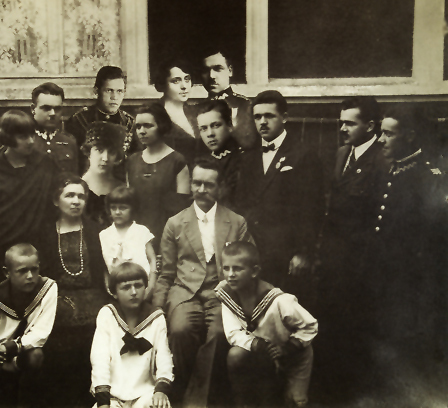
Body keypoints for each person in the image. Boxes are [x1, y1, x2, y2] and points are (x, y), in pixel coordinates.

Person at [152, 156, 253, 405]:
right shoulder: (175, 223)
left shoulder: (236, 222)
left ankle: (197, 402)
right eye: (197, 183)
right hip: (184, 292)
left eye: (209, 184)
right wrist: (156, 308)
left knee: (219, 334)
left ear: (220, 187)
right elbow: (166, 273)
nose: (201, 189)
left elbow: (248, 265)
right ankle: (180, 395)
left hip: (221, 294)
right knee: (180, 330)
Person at [317, 96, 385, 399]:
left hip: (360, 261)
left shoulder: (382, 160)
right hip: (333, 256)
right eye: (341, 122)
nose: (342, 128)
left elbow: (378, 217)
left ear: (370, 126)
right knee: (330, 322)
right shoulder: (342, 153)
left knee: (354, 327)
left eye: (350, 123)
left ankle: (350, 391)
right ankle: (330, 388)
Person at [367, 108, 445, 354]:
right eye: (381, 133)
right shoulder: (388, 168)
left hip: (412, 276)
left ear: (409, 136)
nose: (381, 140)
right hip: (385, 270)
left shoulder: (429, 176)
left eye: (389, 134)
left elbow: (433, 235)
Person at [234, 91, 325, 294]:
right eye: (257, 117)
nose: (263, 122)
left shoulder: (304, 155)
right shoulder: (248, 157)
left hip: (286, 254)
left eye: (269, 116)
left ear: (284, 117)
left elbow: (312, 209)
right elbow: (242, 204)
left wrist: (303, 252)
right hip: (255, 251)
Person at [0, 109, 59, 294]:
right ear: (7, 138)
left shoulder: (45, 165)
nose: (30, 141)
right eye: (22, 137)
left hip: (32, 253)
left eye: (32, 135)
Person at [216, 241, 318, 407]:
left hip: (293, 353)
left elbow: (310, 326)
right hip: (264, 351)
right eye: (226, 268)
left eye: (238, 269)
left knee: (294, 402)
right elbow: (233, 332)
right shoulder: (228, 295)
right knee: (237, 356)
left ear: (254, 271)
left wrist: (288, 347)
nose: (230, 274)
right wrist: (258, 344)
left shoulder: (279, 300)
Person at [38, 173, 110, 407]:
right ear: (56, 200)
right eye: (69, 195)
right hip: (58, 301)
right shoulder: (45, 233)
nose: (76, 201)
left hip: (94, 299)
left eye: (81, 196)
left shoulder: (97, 231)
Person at [0, 244, 57, 408]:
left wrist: (10, 348)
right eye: (22, 271)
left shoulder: (47, 288)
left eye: (34, 269)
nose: (30, 276)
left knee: (36, 355)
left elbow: (40, 332)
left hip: (13, 353)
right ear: (7, 272)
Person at [90, 262, 174, 408]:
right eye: (126, 287)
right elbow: (99, 359)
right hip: (113, 396)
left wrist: (161, 390)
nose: (134, 292)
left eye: (138, 285)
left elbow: (164, 358)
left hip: (145, 393)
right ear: (114, 292)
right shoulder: (107, 315)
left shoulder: (156, 317)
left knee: (161, 406)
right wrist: (103, 401)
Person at [127, 104, 191, 247]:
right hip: (137, 236)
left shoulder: (177, 161)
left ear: (161, 126)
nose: (141, 131)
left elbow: (182, 209)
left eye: (148, 126)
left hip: (167, 236)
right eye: (138, 127)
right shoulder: (132, 161)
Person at [65, 65, 139, 174]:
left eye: (119, 91)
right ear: (96, 91)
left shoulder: (130, 123)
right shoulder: (79, 121)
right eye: (109, 90)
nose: (114, 97)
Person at [100, 186, 158, 300]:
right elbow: (104, 269)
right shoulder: (104, 235)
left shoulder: (141, 231)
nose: (117, 212)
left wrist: (151, 285)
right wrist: (109, 289)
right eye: (113, 208)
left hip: (143, 288)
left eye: (123, 208)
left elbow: (152, 259)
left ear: (132, 209)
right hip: (117, 291)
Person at [200, 47, 257, 150]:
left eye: (218, 69)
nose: (211, 76)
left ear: (230, 71)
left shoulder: (246, 105)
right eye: (205, 71)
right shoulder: (197, 109)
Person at [196, 99, 244, 208]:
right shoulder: (200, 162)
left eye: (216, 125)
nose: (210, 134)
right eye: (203, 128)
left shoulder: (243, 160)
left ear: (229, 125)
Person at [153, 58, 202, 163]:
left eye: (187, 79)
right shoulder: (153, 115)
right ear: (163, 83)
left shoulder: (196, 112)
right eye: (176, 81)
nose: (184, 86)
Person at [82, 122, 127, 227]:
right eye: (99, 150)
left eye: (111, 152)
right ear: (89, 152)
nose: (105, 158)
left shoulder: (123, 189)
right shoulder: (78, 188)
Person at [30, 82, 79, 173]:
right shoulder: (22, 140)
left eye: (57, 109)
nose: (53, 113)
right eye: (46, 108)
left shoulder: (69, 142)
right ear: (33, 109)